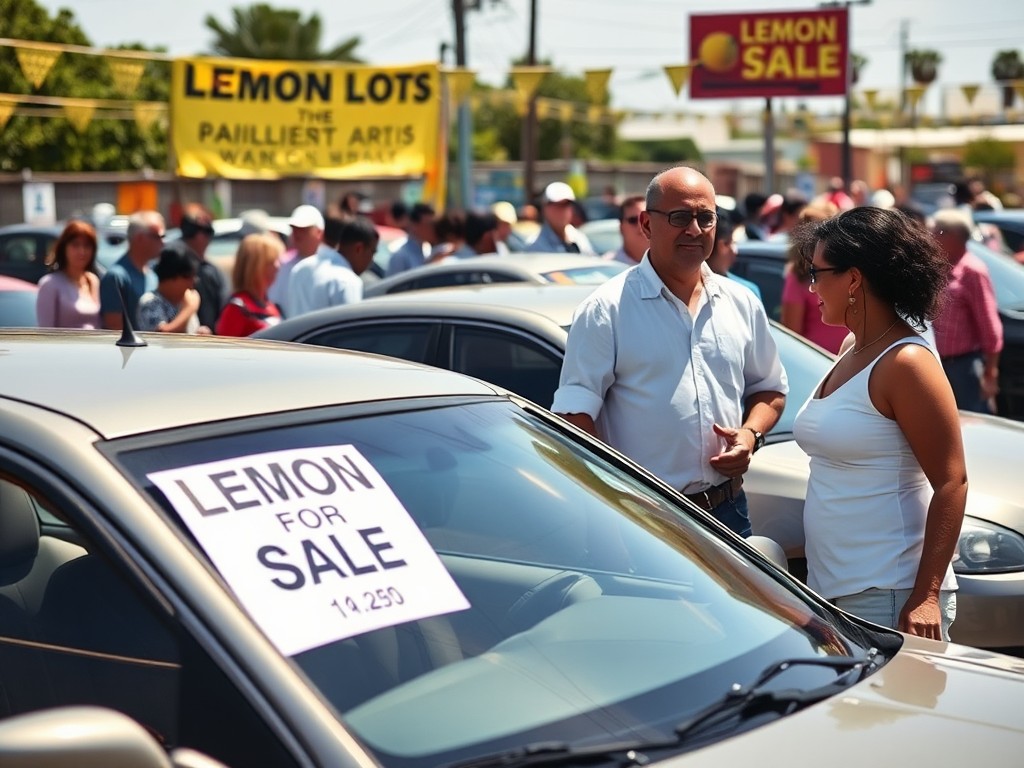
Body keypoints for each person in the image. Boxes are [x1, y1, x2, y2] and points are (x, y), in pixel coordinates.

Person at [551, 166, 787, 538]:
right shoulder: (606, 309)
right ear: (646, 224)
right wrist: (621, 497)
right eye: (680, 217)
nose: (694, 229)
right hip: (645, 521)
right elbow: (573, 417)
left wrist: (750, 436)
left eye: (705, 217)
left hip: (729, 513)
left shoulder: (740, 302)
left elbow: (770, 390)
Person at [790, 206, 965, 640]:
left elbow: (952, 481)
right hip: (839, 587)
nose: (809, 285)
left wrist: (926, 595)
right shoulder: (854, 346)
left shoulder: (905, 362)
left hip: (891, 593)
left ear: (853, 279)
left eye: (816, 271)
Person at [929, 208, 1003, 413]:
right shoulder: (939, 266)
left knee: (973, 422)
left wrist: (990, 371)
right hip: (935, 363)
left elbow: (990, 326)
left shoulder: (972, 271)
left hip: (963, 366)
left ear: (953, 236)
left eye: (937, 232)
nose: (932, 236)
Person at [780, 201, 849, 354]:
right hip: (818, 364)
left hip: (849, 361)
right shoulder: (798, 276)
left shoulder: (848, 271)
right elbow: (792, 334)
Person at [286, 217, 378, 315]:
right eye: (373, 252)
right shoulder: (347, 281)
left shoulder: (300, 268)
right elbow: (350, 327)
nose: (372, 260)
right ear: (359, 248)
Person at [99, 210, 164, 330]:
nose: (162, 242)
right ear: (139, 238)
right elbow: (114, 330)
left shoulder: (153, 274)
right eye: (157, 237)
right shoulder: (116, 277)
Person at [167, 204, 225, 331]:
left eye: (208, 231)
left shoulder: (210, 270)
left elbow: (221, 309)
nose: (204, 237)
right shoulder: (170, 263)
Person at [215, 233, 284, 337]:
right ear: (254, 267)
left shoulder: (270, 305)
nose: (277, 266)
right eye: (270, 261)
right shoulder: (237, 308)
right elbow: (223, 350)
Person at [36, 220, 101, 329]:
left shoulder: (92, 280)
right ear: (63, 248)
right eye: (75, 245)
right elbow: (46, 334)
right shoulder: (49, 284)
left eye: (87, 246)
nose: (82, 251)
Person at [137, 246, 210, 334]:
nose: (193, 282)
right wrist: (189, 309)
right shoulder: (149, 302)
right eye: (188, 276)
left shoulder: (184, 300)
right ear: (172, 277)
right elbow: (161, 336)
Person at [268, 205, 325, 317]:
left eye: (304, 229)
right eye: (294, 228)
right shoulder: (282, 264)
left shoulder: (329, 265)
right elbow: (274, 302)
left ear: (319, 232)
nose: (297, 233)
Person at [526, 182, 594, 254]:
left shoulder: (579, 238)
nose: (563, 211)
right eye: (557, 205)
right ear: (545, 208)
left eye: (566, 204)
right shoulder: (535, 246)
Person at [705, 219, 761, 300]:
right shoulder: (747, 293)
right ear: (722, 245)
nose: (735, 251)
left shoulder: (686, 290)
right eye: (732, 242)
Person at [386, 203, 438, 277]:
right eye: (428, 225)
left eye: (433, 225)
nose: (432, 229)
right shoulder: (400, 256)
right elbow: (391, 285)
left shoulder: (428, 250)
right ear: (414, 225)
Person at [607, 195, 647, 266]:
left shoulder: (669, 265)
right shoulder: (608, 266)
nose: (640, 224)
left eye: (644, 218)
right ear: (621, 228)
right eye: (633, 220)